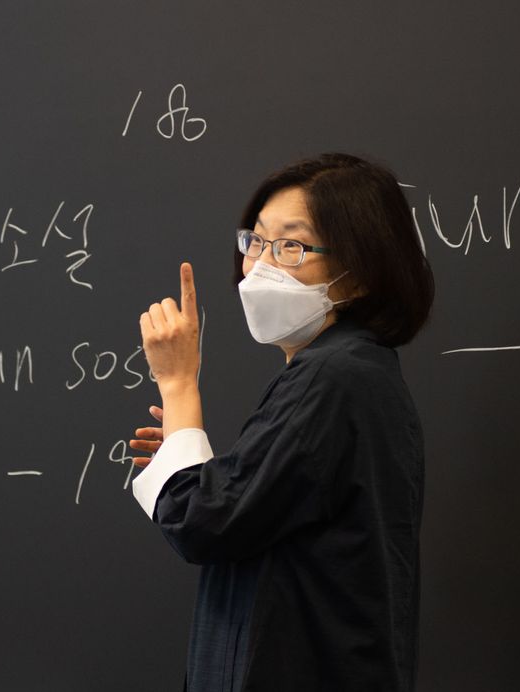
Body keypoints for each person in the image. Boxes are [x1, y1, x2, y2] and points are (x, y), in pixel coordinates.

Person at [130, 152, 434, 692]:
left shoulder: (335, 379)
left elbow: (204, 521)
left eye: (292, 246)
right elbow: (249, 513)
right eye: (257, 241)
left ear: (360, 271)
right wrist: (186, 448)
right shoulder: (350, 375)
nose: (262, 264)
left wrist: (178, 386)